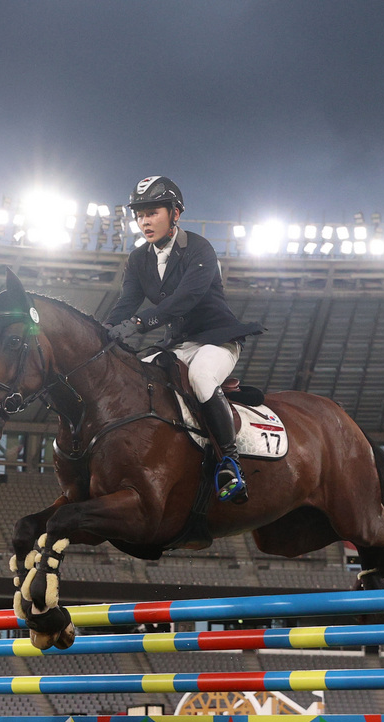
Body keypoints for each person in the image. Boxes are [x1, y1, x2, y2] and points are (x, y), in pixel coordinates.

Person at [105, 176, 265, 502]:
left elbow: (185, 299)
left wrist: (138, 323)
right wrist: (101, 331)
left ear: (175, 213)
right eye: (140, 215)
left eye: (152, 213)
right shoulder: (138, 260)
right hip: (177, 345)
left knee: (202, 378)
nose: (144, 222)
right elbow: (125, 304)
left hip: (216, 339)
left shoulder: (199, 248)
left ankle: (229, 463)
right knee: (136, 378)